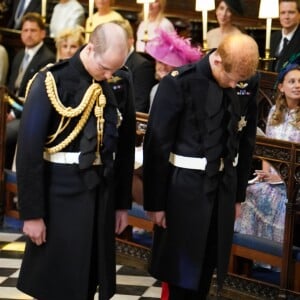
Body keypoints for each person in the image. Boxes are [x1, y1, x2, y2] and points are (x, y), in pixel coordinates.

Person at [16, 22, 136, 300]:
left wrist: (121, 204)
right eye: (105, 68)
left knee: (89, 278)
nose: (109, 75)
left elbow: (125, 148)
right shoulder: (52, 80)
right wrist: (32, 213)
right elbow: (29, 152)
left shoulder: (120, 80)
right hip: (59, 193)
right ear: (91, 48)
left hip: (101, 193)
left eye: (114, 70)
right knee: (56, 281)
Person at [143, 33, 260, 299]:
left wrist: (238, 195)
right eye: (231, 78)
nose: (234, 85)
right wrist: (155, 203)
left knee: (207, 267)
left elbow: (246, 142)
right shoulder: (179, 83)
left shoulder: (246, 81)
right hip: (183, 191)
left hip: (222, 189)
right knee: (180, 273)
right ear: (217, 60)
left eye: (239, 81)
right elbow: (157, 145)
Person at [235, 55, 300, 244]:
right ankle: (249, 255)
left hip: (294, 183)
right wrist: (265, 171)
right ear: (281, 87)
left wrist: (281, 178)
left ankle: (276, 258)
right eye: (292, 81)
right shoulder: (274, 113)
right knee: (247, 191)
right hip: (273, 178)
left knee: (269, 199)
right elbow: (268, 148)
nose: (297, 85)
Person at [6, 12, 56, 169]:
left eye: (33, 30)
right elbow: (10, 88)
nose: (28, 34)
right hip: (10, 108)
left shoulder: (47, 58)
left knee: (5, 132)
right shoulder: (19, 55)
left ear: (43, 33)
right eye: (25, 30)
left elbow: (36, 97)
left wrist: (13, 113)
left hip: (28, 114)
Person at [146, 28, 202, 111]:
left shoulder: (186, 91)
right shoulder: (156, 89)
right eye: (160, 62)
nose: (163, 67)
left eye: (169, 63)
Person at [114, 19, 157, 112]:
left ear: (131, 40)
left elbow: (139, 106)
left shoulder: (142, 66)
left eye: (119, 39)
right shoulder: (109, 61)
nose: (114, 44)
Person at [270, 0, 300, 72]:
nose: (286, 17)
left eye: (291, 12)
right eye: (283, 13)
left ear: (299, 14)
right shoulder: (273, 37)